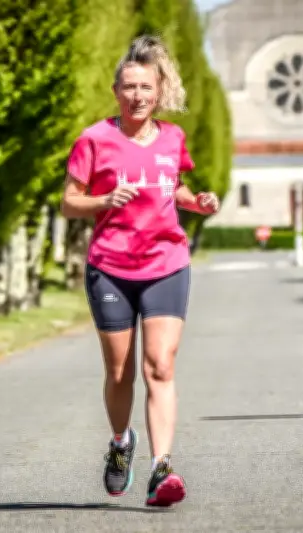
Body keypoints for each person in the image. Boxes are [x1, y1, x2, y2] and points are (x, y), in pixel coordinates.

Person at [60, 34, 221, 507]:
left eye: (146, 87)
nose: (138, 95)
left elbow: (176, 187)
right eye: (129, 87)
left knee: (160, 366)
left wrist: (199, 201)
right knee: (119, 371)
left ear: (159, 89)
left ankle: (161, 468)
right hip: (110, 265)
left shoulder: (173, 137)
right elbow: (69, 202)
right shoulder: (94, 139)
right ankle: (120, 443)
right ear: (117, 91)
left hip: (166, 263)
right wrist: (103, 200)